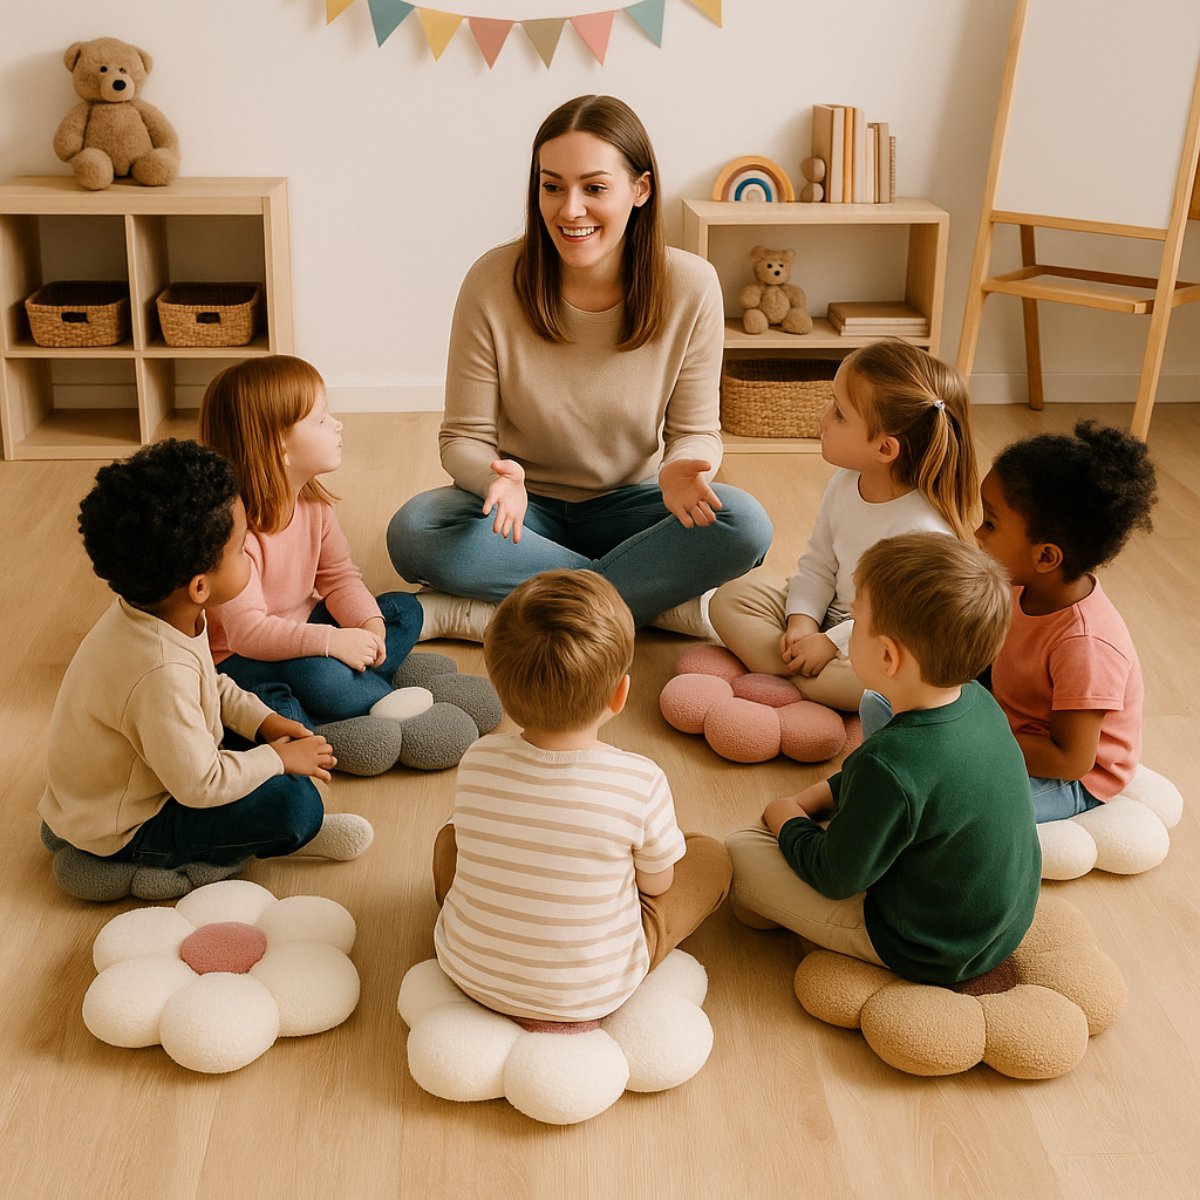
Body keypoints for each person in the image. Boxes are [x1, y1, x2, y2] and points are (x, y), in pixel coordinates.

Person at [387, 94, 773, 645]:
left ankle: (522, 605)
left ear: (640, 190)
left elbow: (695, 432)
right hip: (523, 515)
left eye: (594, 188)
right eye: (552, 186)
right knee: (417, 529)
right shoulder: (492, 281)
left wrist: (686, 465)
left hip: (636, 503)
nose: (569, 209)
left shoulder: (692, 285)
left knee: (745, 523)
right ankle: (643, 601)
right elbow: (464, 437)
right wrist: (494, 479)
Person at [39, 439, 373, 902]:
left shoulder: (159, 612)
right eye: (241, 550)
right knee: (295, 809)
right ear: (200, 586)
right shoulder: (158, 670)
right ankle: (163, 861)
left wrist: (264, 723)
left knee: (268, 713)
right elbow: (201, 784)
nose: (249, 552)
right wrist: (276, 758)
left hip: (161, 766)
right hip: (133, 820)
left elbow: (210, 685)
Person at [725, 534, 1040, 986]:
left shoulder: (891, 762)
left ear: (889, 656)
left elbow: (836, 877)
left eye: (856, 621)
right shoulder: (977, 701)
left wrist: (785, 817)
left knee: (740, 851)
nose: (849, 629)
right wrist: (821, 794)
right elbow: (909, 790)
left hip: (925, 948)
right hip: (997, 926)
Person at [431, 569, 732, 1023]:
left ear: (501, 690)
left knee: (449, 839)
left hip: (468, 969)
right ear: (620, 694)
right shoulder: (640, 780)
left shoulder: (477, 757)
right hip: (592, 992)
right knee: (709, 857)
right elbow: (656, 886)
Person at [200, 355, 497, 776]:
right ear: (279, 445)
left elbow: (340, 579)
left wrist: (368, 626)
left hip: (306, 631)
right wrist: (332, 643)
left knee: (401, 610)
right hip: (243, 657)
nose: (337, 425)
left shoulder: (313, 504)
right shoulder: (237, 533)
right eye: (322, 420)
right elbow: (248, 634)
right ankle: (354, 708)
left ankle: (360, 690)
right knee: (322, 675)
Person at [709, 339, 978, 714]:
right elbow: (819, 563)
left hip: (877, 638)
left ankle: (791, 675)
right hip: (828, 615)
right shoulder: (844, 482)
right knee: (729, 599)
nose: (823, 417)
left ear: (885, 449)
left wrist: (831, 644)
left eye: (839, 413)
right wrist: (802, 621)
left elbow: (892, 622)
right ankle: (801, 673)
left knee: (877, 683)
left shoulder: (924, 531)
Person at [974, 420, 1157, 823]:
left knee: (964, 804)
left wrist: (972, 739)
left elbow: (1071, 759)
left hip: (1074, 777)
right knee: (881, 699)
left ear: (1046, 557)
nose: (976, 533)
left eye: (990, 523)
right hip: (1011, 731)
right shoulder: (1017, 585)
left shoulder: (1085, 644)